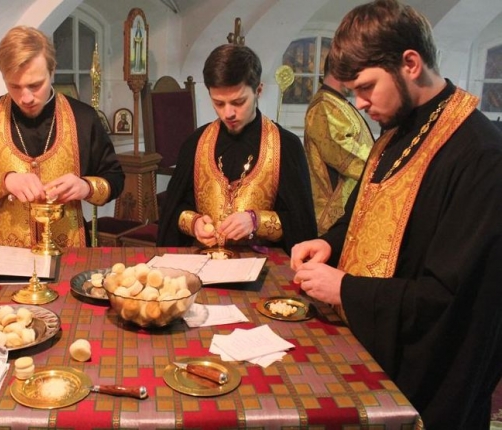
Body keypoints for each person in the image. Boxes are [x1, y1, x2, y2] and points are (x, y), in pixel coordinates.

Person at [290, 1, 502, 428]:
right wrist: (329, 244)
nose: (360, 103)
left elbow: (453, 300)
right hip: (366, 352)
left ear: (410, 62)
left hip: (426, 383)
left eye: (366, 87)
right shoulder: (393, 133)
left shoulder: (480, 155)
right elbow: (365, 216)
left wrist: (346, 290)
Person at [0, 26, 124, 248]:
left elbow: (115, 178)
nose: (25, 97)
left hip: (70, 250)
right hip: (5, 256)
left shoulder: (83, 118)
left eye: (35, 85)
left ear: (52, 71)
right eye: (14, 86)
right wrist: (4, 182)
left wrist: (85, 186)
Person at [157, 44, 317, 253]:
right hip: (204, 266)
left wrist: (255, 221)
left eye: (238, 102)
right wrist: (194, 223)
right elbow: (173, 211)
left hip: (265, 270)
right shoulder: (195, 144)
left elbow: (301, 225)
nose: (228, 113)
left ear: (258, 90)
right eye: (219, 103)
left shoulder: (286, 146)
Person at [304, 55, 375, 235]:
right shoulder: (324, 106)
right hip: (333, 215)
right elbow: (345, 154)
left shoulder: (337, 102)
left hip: (351, 210)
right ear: (339, 71)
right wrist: (384, 162)